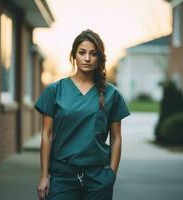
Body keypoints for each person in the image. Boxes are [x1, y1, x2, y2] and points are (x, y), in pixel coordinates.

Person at [35, 29, 130, 200]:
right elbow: (46, 135)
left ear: (99, 58)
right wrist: (44, 175)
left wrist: (111, 176)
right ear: (74, 55)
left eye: (93, 54)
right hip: (63, 175)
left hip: (98, 176)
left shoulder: (111, 94)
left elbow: (117, 138)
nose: (87, 58)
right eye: (82, 52)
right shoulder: (55, 91)